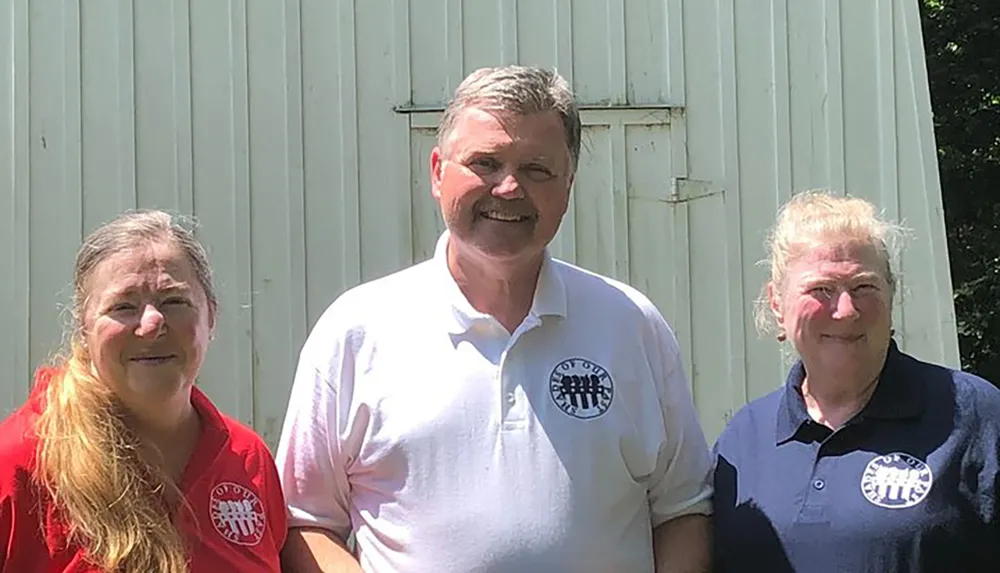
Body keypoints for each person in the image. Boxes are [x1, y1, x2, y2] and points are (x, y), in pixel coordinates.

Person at [275, 65, 714, 572]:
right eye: (485, 163)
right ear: (437, 172)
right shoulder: (356, 331)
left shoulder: (631, 325)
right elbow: (305, 523)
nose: (508, 188)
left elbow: (683, 510)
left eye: (537, 169)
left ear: (568, 184)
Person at [712, 190, 1000, 572]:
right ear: (778, 304)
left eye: (864, 287)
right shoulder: (743, 440)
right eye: (821, 290)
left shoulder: (973, 414)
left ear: (891, 297)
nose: (846, 311)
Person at [0, 211, 287, 572]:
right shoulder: (18, 464)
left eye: (174, 301)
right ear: (84, 329)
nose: (152, 323)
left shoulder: (248, 460)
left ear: (210, 316)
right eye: (123, 307)